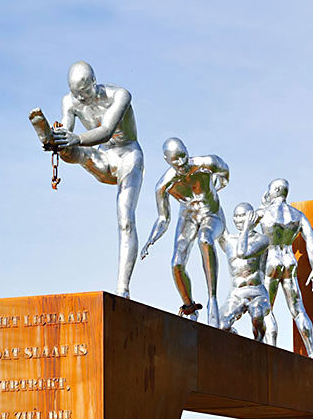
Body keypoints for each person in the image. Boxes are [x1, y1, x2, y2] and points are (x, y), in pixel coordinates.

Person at [28, 61, 143, 298]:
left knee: (125, 219)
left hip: (128, 156)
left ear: (94, 82)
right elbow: (69, 133)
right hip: (102, 156)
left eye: (84, 92)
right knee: (72, 151)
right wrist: (59, 141)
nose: (80, 99)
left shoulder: (119, 95)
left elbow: (107, 130)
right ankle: (47, 136)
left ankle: (123, 288)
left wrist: (75, 138)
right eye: (75, 94)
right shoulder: (70, 102)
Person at [141, 137, 229, 326]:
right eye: (175, 159)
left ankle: (212, 299)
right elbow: (163, 218)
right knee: (176, 263)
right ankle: (189, 307)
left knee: (205, 240)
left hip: (211, 214)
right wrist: (151, 240)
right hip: (188, 217)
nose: (181, 162)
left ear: (187, 151)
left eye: (183, 156)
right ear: (167, 159)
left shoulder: (206, 163)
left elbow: (225, 171)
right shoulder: (164, 185)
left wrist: (217, 186)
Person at [257, 178, 313, 359]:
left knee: (266, 309)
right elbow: (310, 241)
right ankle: (312, 353)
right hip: (289, 260)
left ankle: (270, 351)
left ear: (275, 190)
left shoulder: (264, 212)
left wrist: (263, 205)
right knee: (298, 310)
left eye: (269, 189)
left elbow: (247, 229)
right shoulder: (298, 215)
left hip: (271, 261)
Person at [218, 203, 271, 341]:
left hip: (257, 293)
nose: (238, 220)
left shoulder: (262, 239)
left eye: (242, 216)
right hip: (236, 294)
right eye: (235, 216)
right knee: (221, 326)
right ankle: (237, 341)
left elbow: (242, 253)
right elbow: (216, 212)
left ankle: (259, 345)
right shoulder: (228, 240)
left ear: (251, 216)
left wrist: (246, 229)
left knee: (257, 314)